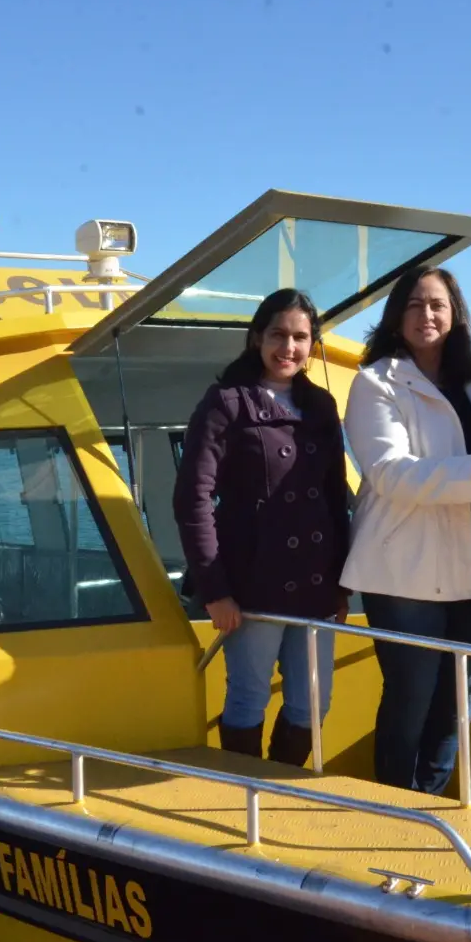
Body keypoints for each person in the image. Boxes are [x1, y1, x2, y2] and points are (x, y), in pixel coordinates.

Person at [341, 265, 471, 793]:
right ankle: (394, 809)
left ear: (455, 314)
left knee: (456, 706)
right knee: (410, 700)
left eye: (438, 304)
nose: (427, 314)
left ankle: (430, 803)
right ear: (396, 316)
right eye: (415, 304)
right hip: (404, 569)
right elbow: (387, 471)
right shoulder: (374, 382)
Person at [174, 288, 352, 766]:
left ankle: (278, 786)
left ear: (312, 344)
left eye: (300, 337)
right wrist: (215, 590)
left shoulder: (321, 406)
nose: (288, 347)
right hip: (253, 586)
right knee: (249, 699)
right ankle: (245, 794)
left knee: (312, 705)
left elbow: (336, 499)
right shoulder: (226, 403)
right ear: (257, 338)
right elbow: (192, 499)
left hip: (315, 587)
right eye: (278, 335)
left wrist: (341, 585)